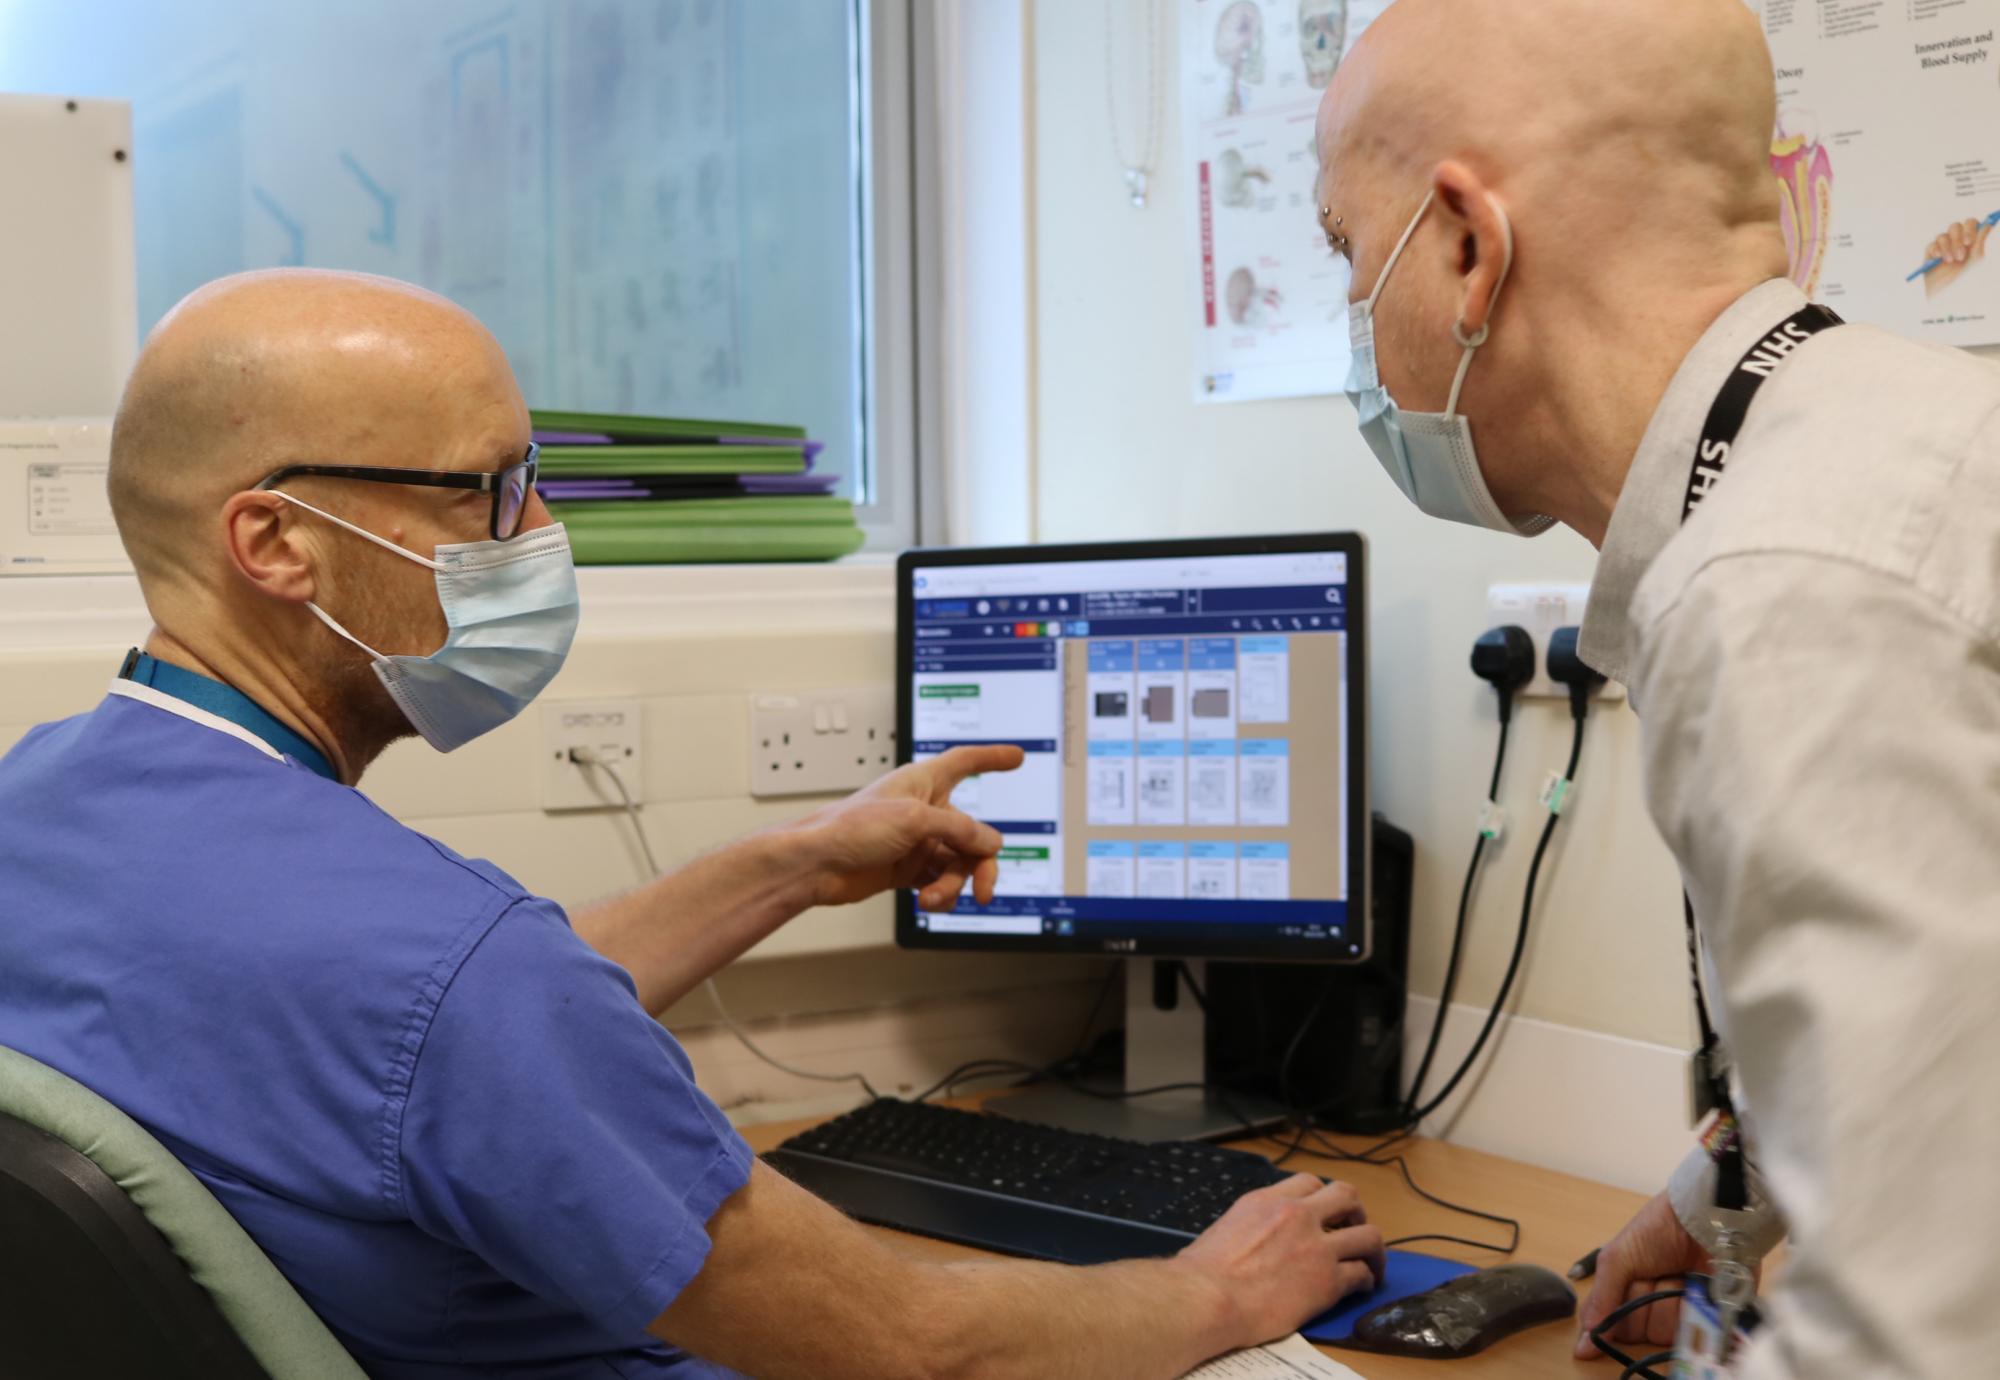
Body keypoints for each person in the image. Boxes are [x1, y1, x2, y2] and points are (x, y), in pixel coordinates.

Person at [0, 269, 1385, 1378]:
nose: (541, 531)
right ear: (274, 543)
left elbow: (407, 1045)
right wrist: (1211, 1290)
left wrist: (791, 866)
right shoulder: (456, 984)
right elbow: (910, 1347)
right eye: (490, 490)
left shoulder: (48, 809)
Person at [1312, 1, 1999, 1375]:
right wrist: (1713, 1201)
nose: (1348, 317)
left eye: (1344, 254)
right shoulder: (1884, 443)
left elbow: (1917, 1334)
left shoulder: (1781, 584)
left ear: (1465, 246)